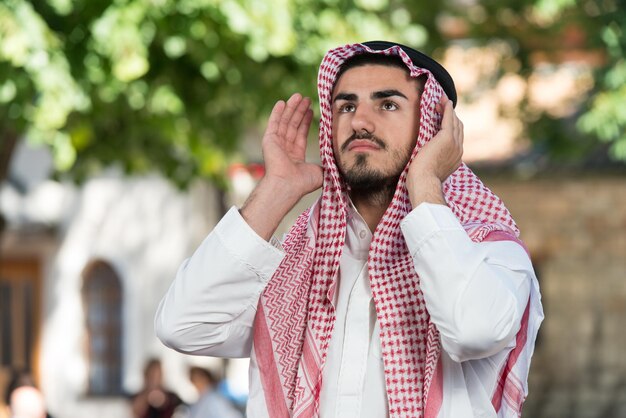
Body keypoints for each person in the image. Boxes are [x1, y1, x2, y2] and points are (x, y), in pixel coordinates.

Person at [155, 41, 543, 417]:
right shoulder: (300, 268)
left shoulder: (491, 253)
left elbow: (473, 330)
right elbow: (184, 326)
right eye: (346, 106)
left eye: (388, 104)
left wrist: (425, 182)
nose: (359, 121)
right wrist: (277, 190)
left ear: (432, 126)